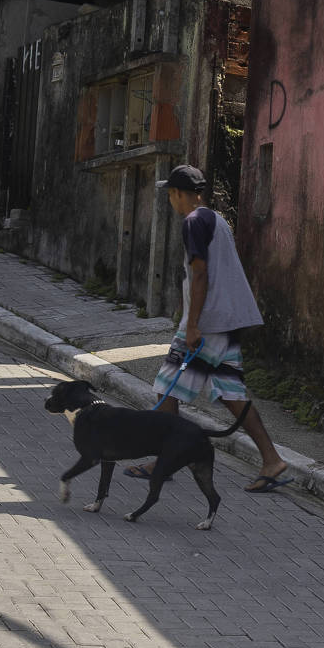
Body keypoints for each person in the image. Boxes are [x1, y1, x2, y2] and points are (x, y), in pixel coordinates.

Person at [127, 163, 288, 492]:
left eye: (170, 194)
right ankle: (272, 459)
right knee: (230, 392)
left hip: (209, 323)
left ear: (178, 194)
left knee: (166, 386)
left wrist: (193, 324)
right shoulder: (217, 220)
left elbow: (200, 274)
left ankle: (165, 459)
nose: (170, 201)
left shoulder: (193, 222)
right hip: (226, 321)